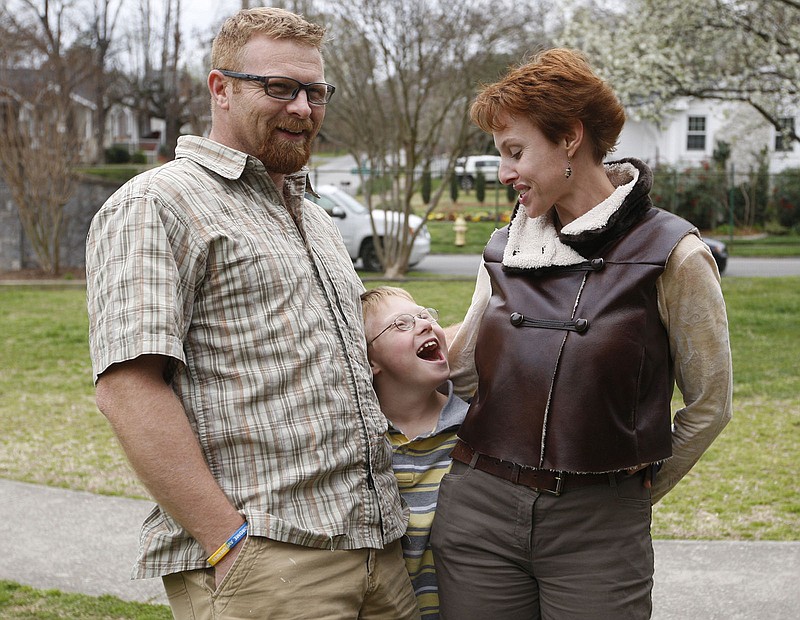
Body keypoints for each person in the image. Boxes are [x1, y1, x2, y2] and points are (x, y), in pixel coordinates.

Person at [85, 8, 419, 619]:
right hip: (266, 563)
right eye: (279, 88)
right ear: (221, 88)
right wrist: (228, 542)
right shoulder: (157, 204)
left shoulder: (311, 215)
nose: (302, 107)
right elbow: (128, 389)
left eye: (315, 92)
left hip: (377, 553)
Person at [430, 48, 733, 620]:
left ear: (570, 137)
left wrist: (631, 495)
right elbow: (466, 372)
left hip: (598, 526)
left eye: (515, 152)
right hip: (479, 511)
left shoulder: (673, 252)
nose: (504, 172)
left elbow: (710, 405)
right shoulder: (505, 246)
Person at [360, 286, 469, 620]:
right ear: (369, 359)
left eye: (425, 315)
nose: (424, 324)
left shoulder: (474, 431)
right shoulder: (359, 439)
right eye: (401, 324)